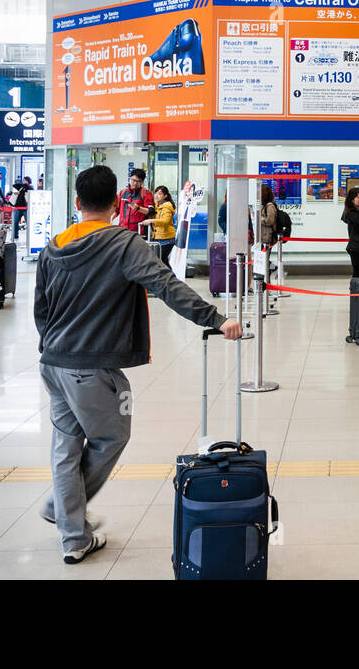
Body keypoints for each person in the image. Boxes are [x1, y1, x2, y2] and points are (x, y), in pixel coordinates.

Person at [34, 165, 241, 564]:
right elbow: (165, 285)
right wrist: (215, 318)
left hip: (54, 362)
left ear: (77, 203)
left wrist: (52, 347)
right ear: (115, 204)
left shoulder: (53, 246)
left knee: (66, 444)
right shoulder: (123, 244)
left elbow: (41, 308)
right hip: (89, 366)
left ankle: (73, 533)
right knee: (111, 437)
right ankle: (66, 513)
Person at [140, 185, 177, 266]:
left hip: (166, 238)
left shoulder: (167, 207)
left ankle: (169, 278)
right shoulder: (156, 206)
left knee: (160, 262)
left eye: (159, 194)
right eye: (155, 193)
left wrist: (151, 220)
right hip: (158, 237)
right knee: (163, 261)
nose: (156, 195)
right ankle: (171, 278)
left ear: (165, 196)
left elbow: (165, 221)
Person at [118, 169, 154, 234]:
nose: (135, 183)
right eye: (133, 180)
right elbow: (116, 210)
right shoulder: (122, 192)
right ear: (130, 178)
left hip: (139, 231)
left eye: (138, 181)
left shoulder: (146, 193)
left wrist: (138, 208)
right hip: (123, 230)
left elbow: (151, 211)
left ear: (142, 182)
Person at [258, 183, 280, 248]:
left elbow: (270, 221)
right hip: (264, 236)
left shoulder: (270, 206)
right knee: (264, 256)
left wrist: (260, 219)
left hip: (267, 237)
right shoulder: (265, 206)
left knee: (265, 256)